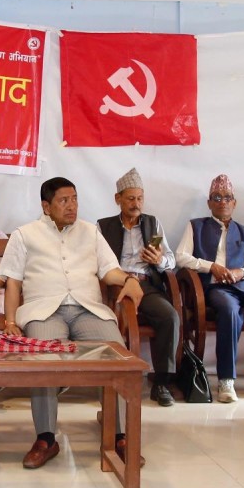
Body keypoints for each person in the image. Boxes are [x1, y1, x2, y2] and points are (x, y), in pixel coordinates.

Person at [0, 177, 144, 469]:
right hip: (44, 311)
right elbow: (13, 281)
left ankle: (119, 435)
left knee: (116, 356)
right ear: (46, 206)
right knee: (44, 359)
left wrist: (129, 279)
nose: (71, 206)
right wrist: (10, 320)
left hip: (87, 310)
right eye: (63, 201)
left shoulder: (91, 232)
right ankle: (46, 438)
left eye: (74, 199)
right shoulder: (25, 234)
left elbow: (110, 270)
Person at [176, 174, 244, 404]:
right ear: (209, 203)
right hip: (216, 288)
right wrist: (211, 267)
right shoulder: (196, 226)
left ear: (234, 203)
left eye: (227, 197)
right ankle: (226, 379)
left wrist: (241, 273)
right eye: (216, 197)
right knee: (229, 310)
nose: (222, 202)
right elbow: (181, 257)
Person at [98, 168, 179, 406]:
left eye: (140, 198)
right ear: (118, 199)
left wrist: (159, 260)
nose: (136, 204)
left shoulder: (153, 223)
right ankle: (114, 380)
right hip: (117, 286)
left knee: (170, 316)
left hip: (146, 285)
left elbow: (171, 260)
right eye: (131, 198)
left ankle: (162, 383)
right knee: (119, 323)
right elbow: (97, 262)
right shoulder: (103, 226)